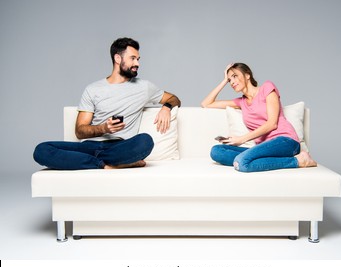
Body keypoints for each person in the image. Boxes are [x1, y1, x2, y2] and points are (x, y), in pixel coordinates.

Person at [33, 37, 181, 170]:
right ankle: (106, 164)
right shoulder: (93, 89)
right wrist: (104, 128)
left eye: (138, 59)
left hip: (119, 146)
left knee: (145, 141)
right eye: (133, 58)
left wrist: (166, 108)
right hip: (89, 146)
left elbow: (174, 98)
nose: (137, 63)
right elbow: (80, 131)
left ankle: (99, 162)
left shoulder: (144, 87)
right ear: (118, 58)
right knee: (42, 150)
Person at [201, 62, 316, 172]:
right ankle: (255, 159)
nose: (232, 82)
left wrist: (241, 139)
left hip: (285, 141)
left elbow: (272, 123)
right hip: (263, 148)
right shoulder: (241, 102)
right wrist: (224, 80)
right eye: (230, 80)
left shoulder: (267, 88)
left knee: (242, 162)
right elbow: (206, 104)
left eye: (235, 76)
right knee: (216, 151)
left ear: (247, 75)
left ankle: (298, 161)